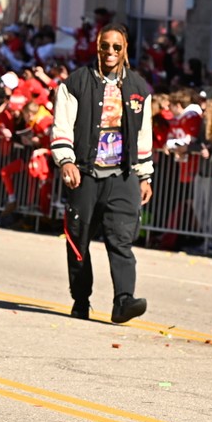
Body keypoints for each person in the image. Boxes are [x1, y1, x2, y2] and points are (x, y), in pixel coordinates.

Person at [50, 22, 153, 323]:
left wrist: (144, 175)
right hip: (85, 173)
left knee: (121, 238)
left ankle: (124, 300)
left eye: (116, 47)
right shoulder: (75, 83)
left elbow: (144, 136)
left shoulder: (138, 88)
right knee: (78, 240)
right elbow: (62, 126)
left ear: (125, 50)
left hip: (123, 176)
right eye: (105, 46)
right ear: (97, 48)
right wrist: (66, 160)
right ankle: (81, 299)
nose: (110, 52)